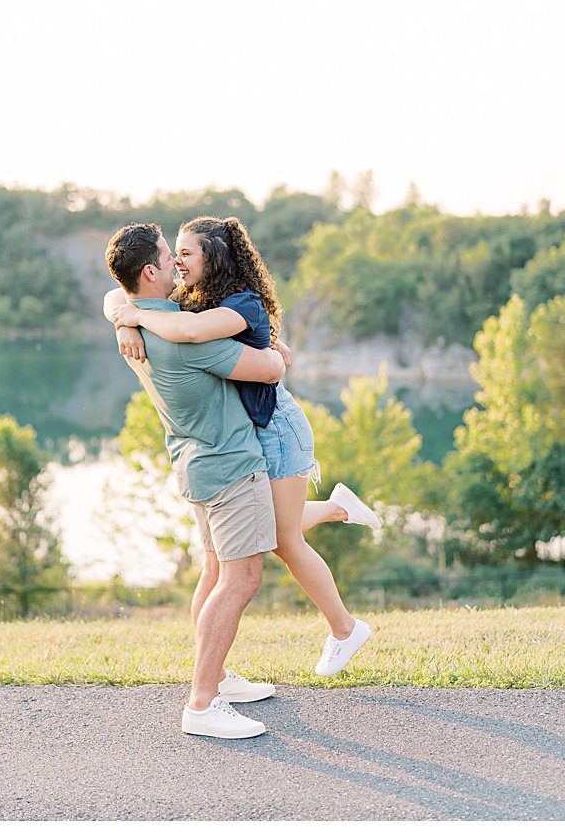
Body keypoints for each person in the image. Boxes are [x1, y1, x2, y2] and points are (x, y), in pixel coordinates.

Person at [105, 216, 376, 678]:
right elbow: (117, 290)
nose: (177, 261)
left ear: (214, 256)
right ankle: (334, 510)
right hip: (248, 430)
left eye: (185, 253)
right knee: (262, 534)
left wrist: (135, 317)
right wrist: (122, 318)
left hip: (276, 426)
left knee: (283, 540)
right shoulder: (187, 299)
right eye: (173, 255)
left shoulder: (240, 303)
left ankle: (345, 629)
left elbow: (195, 335)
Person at [103, 222, 287, 739]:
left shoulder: (144, 324)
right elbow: (269, 369)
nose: (178, 263)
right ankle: (202, 705)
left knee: (214, 573)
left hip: (196, 463)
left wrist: (123, 319)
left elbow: (112, 297)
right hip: (230, 465)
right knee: (241, 580)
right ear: (150, 271)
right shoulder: (184, 337)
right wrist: (278, 354)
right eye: (170, 256)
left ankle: (218, 679)